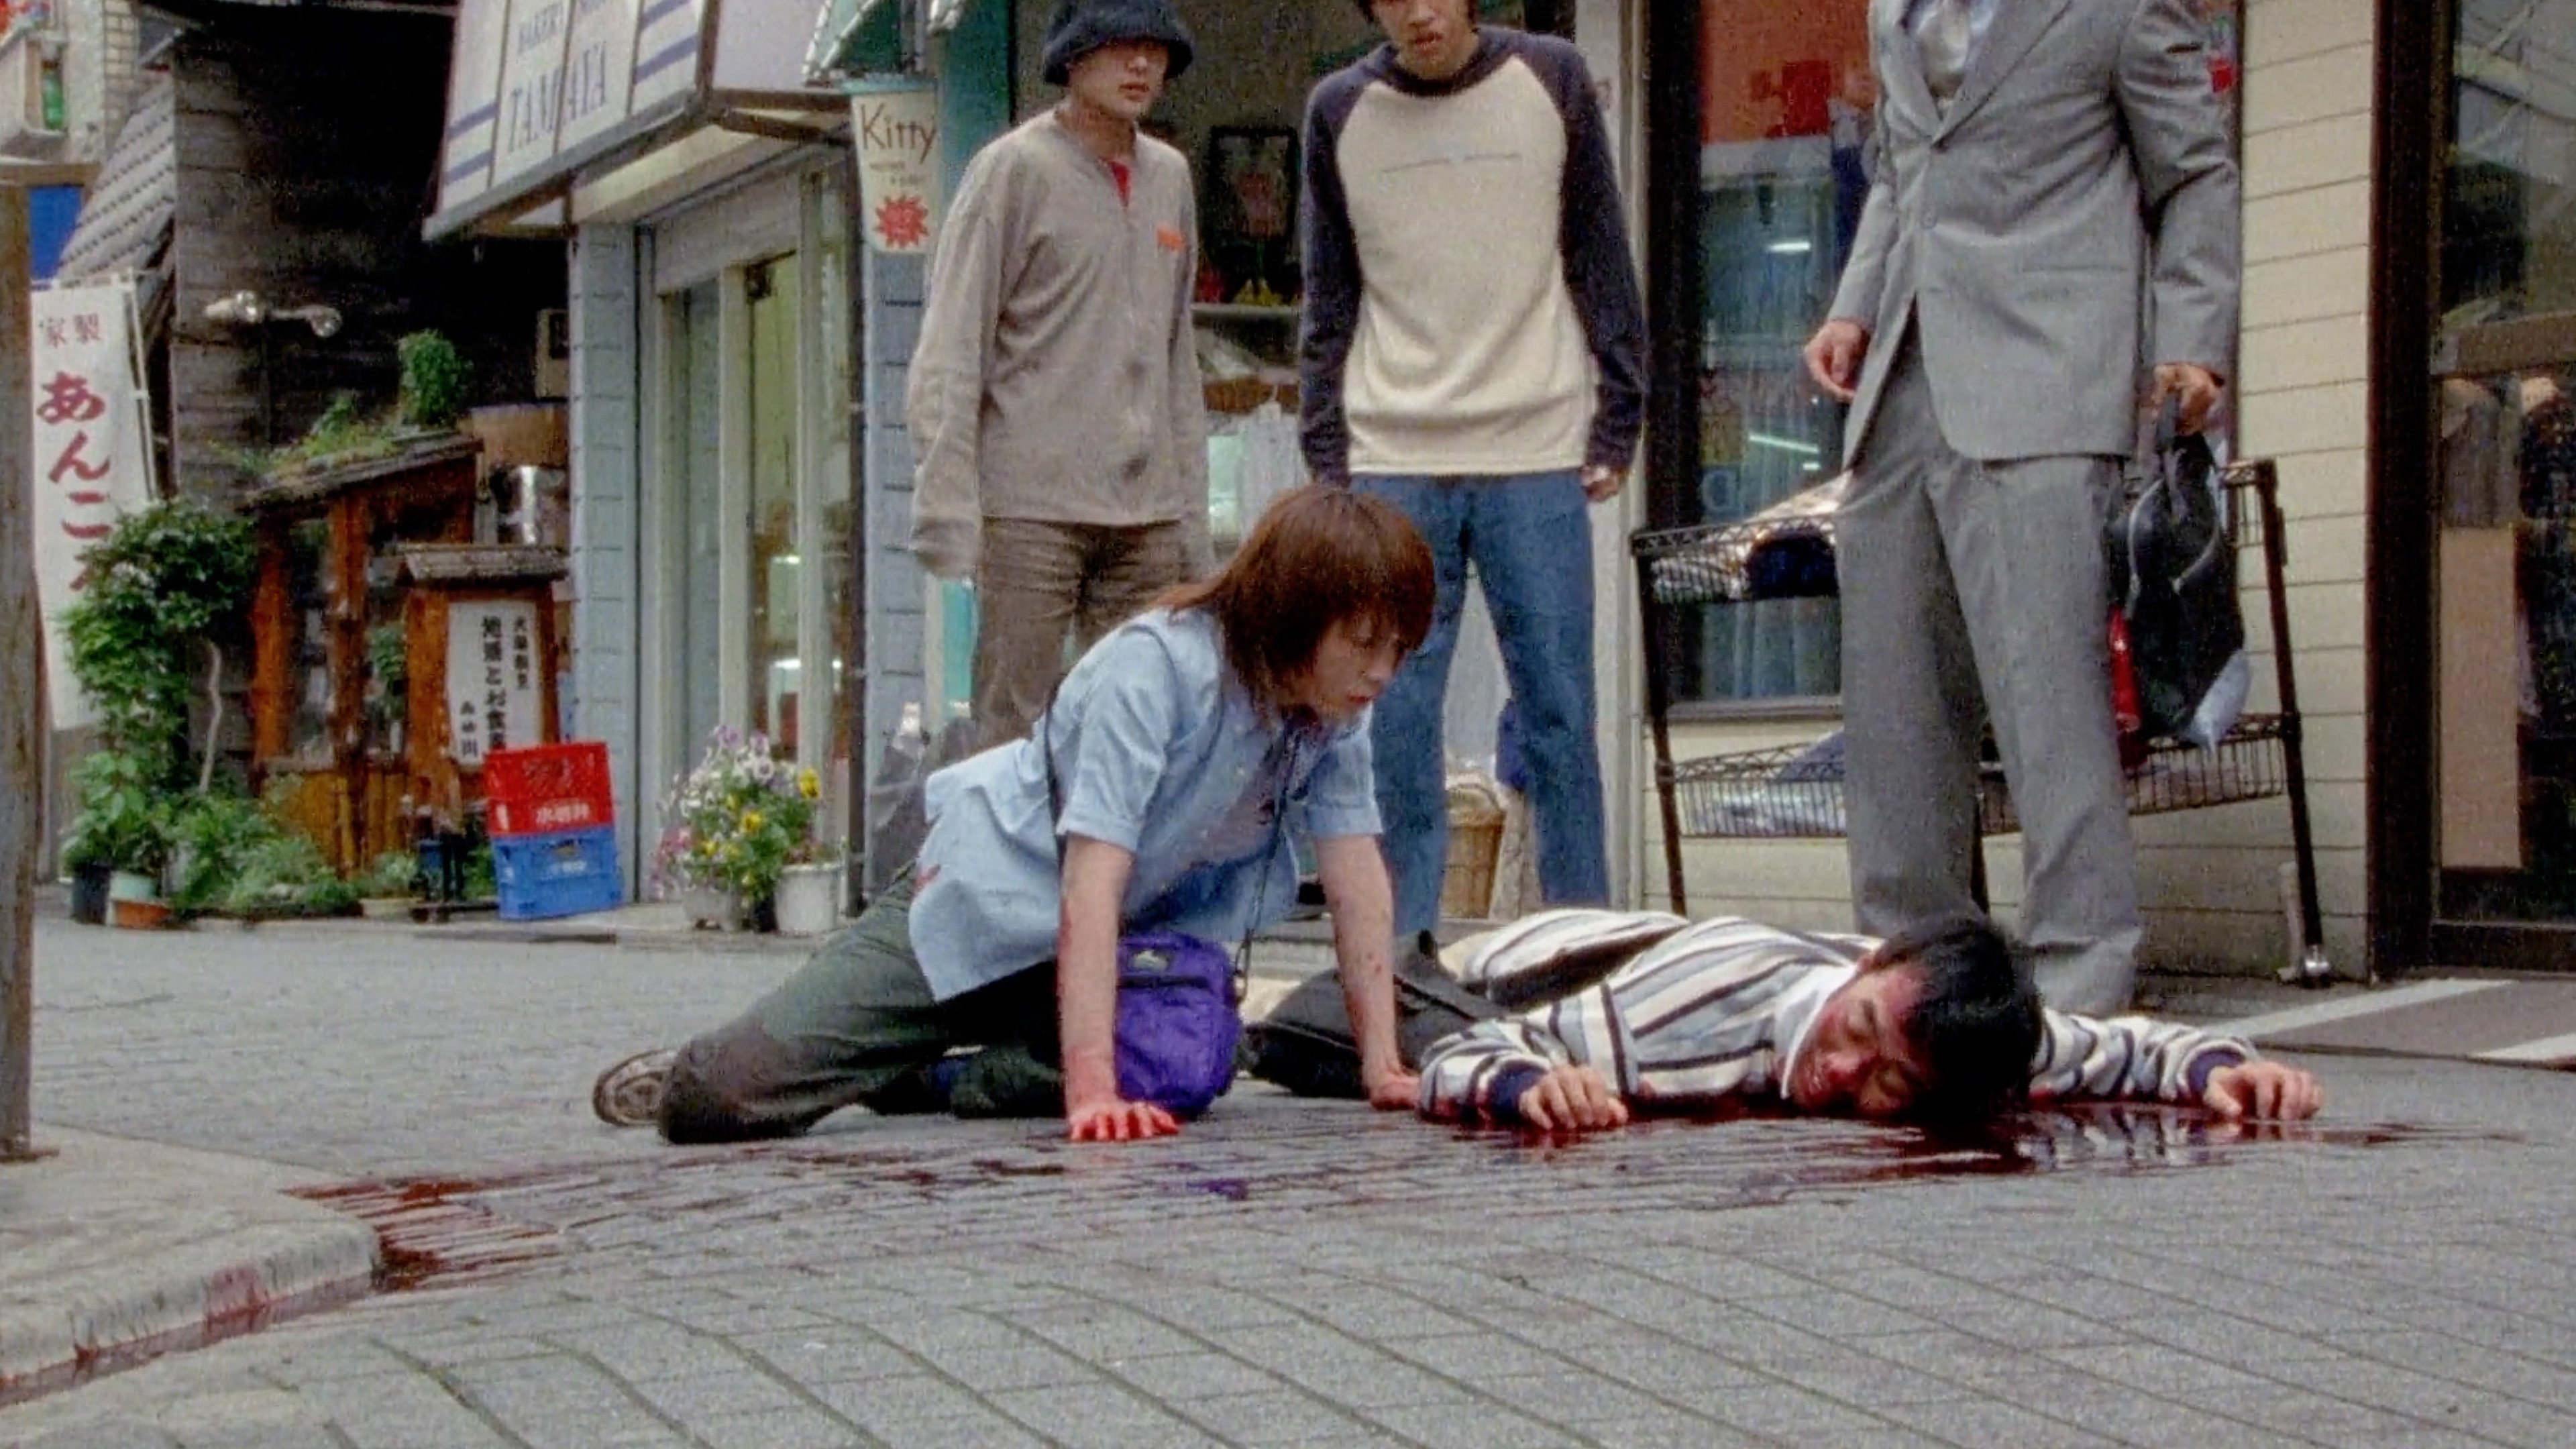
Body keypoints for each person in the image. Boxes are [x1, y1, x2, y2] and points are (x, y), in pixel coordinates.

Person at [593, 486, 1435, 1144]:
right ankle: (711, 1067)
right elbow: (1091, 881)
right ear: (1293, 617)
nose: (1382, 672)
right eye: (1363, 643)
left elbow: (1355, 872)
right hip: (983, 907)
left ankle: (925, 1079)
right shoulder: (1158, 669)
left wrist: (1383, 1067)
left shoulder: (1332, 712)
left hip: (1100, 958)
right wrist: (1092, 1091)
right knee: (728, 1098)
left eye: (1397, 648)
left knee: (1189, 1059)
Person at [1801, 0, 2240, 1014]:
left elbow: (2194, 173)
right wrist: (1854, 306)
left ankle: (2078, 986)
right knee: (1896, 717)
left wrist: (2194, 340)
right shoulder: (1893, 7)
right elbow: (1900, 171)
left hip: (2050, 378)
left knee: (2052, 706)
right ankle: (1913, 989)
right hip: (1901, 389)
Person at [1299, 0, 1646, 938]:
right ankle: (1400, 956)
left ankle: (1580, 946)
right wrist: (1329, 459)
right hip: (1392, 455)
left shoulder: (1552, 77)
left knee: (1560, 715)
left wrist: (1619, 416)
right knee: (1392, 722)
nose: (1420, 12)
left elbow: (1600, 252)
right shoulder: (1339, 109)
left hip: (1535, 447)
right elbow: (1329, 295)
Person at [907, 0, 1212, 749]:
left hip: (1146, 512)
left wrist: (1191, 518)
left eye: (1156, 51)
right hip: (1031, 506)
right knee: (1014, 726)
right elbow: (953, 341)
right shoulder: (1012, 169)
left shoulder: (1170, 176)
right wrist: (947, 504)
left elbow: (1178, 358)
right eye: (1119, 47)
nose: (1141, 65)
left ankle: (1112, 840)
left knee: (1138, 722)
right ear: (1073, 59)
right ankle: (1005, 837)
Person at [1415, 912, 2323, 1132]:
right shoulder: (1680, 1017)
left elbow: (2128, 1046)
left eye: (1893, 1083)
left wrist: (2226, 1070)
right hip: (1500, 967)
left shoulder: (1967, 1032)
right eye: (1857, 1031)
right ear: (1868, 963)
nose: (1847, 1073)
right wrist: (1533, 1084)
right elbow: (1459, 1048)